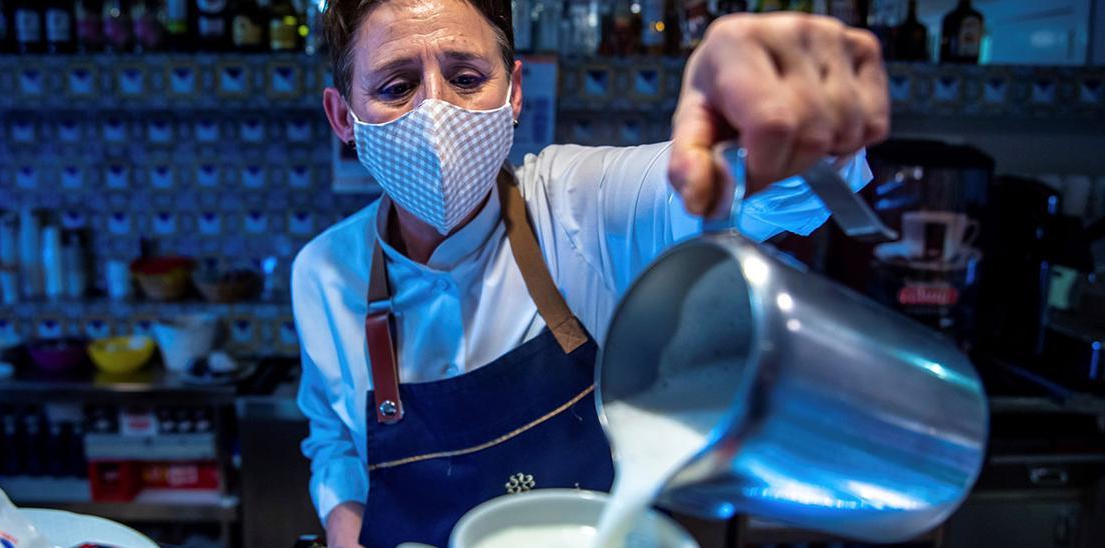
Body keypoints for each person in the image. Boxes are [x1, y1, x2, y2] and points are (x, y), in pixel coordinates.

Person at [293, 0, 889, 546]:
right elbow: (337, 442)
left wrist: (788, 115)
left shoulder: (582, 207)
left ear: (515, 91)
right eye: (397, 86)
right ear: (343, 116)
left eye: (467, 78)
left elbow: (766, 192)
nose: (436, 113)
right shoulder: (322, 277)